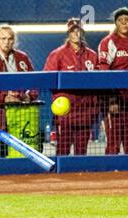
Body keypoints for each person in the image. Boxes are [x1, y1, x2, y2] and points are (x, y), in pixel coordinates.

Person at [0, 24, 38, 158]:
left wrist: (28, 96)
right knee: (1, 152)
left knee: (22, 152)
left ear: (14, 41)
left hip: (21, 115)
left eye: (10, 39)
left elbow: (34, 83)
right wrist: (3, 98)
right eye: (3, 38)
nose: (6, 42)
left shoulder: (22, 58)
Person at [44, 18, 99, 155]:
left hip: (86, 112)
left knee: (81, 151)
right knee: (63, 150)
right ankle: (60, 176)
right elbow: (48, 79)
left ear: (83, 32)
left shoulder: (92, 55)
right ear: (68, 33)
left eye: (78, 30)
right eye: (72, 31)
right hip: (66, 112)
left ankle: (80, 175)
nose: (76, 34)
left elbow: (99, 82)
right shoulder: (57, 54)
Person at [98, 7, 128, 154]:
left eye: (127, 20)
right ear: (116, 23)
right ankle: (110, 173)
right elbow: (105, 71)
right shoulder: (108, 42)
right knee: (114, 140)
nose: (124, 23)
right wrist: (112, 99)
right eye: (120, 20)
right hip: (115, 99)